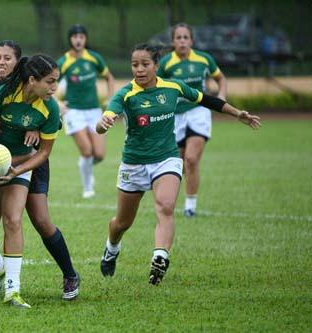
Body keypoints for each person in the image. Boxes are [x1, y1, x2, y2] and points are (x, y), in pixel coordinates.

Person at [97, 43, 260, 285]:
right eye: (134, 65)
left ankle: (159, 257)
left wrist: (238, 114)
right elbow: (109, 114)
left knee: (165, 207)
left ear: (156, 66)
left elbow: (207, 99)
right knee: (122, 223)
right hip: (134, 164)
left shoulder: (173, 87)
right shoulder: (126, 94)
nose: (139, 69)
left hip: (167, 158)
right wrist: (103, 123)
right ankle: (112, 248)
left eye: (145, 64)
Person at [0, 40, 80, 301]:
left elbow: (45, 151)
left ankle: (66, 274)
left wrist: (20, 162)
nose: (55, 87)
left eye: (8, 58)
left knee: (37, 220)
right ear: (31, 78)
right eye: (50, 82)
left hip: (26, 162)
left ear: (19, 63)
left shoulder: (48, 106)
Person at [157, 23, 228, 217]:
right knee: (178, 163)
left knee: (191, 159)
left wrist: (221, 97)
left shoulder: (204, 59)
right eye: (178, 38)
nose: (182, 41)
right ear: (173, 41)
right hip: (175, 116)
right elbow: (157, 87)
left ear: (191, 40)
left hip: (199, 112)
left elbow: (220, 78)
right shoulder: (165, 63)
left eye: (185, 37)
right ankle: (169, 202)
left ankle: (190, 206)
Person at [57, 24, 115, 198]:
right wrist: (58, 103)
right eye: (75, 36)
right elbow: (50, 84)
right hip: (74, 112)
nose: (78, 39)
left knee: (99, 154)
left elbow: (109, 77)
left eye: (81, 36)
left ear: (85, 39)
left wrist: (110, 99)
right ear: (70, 40)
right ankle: (88, 187)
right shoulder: (63, 62)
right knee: (87, 151)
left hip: (94, 112)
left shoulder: (94, 58)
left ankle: (85, 165)